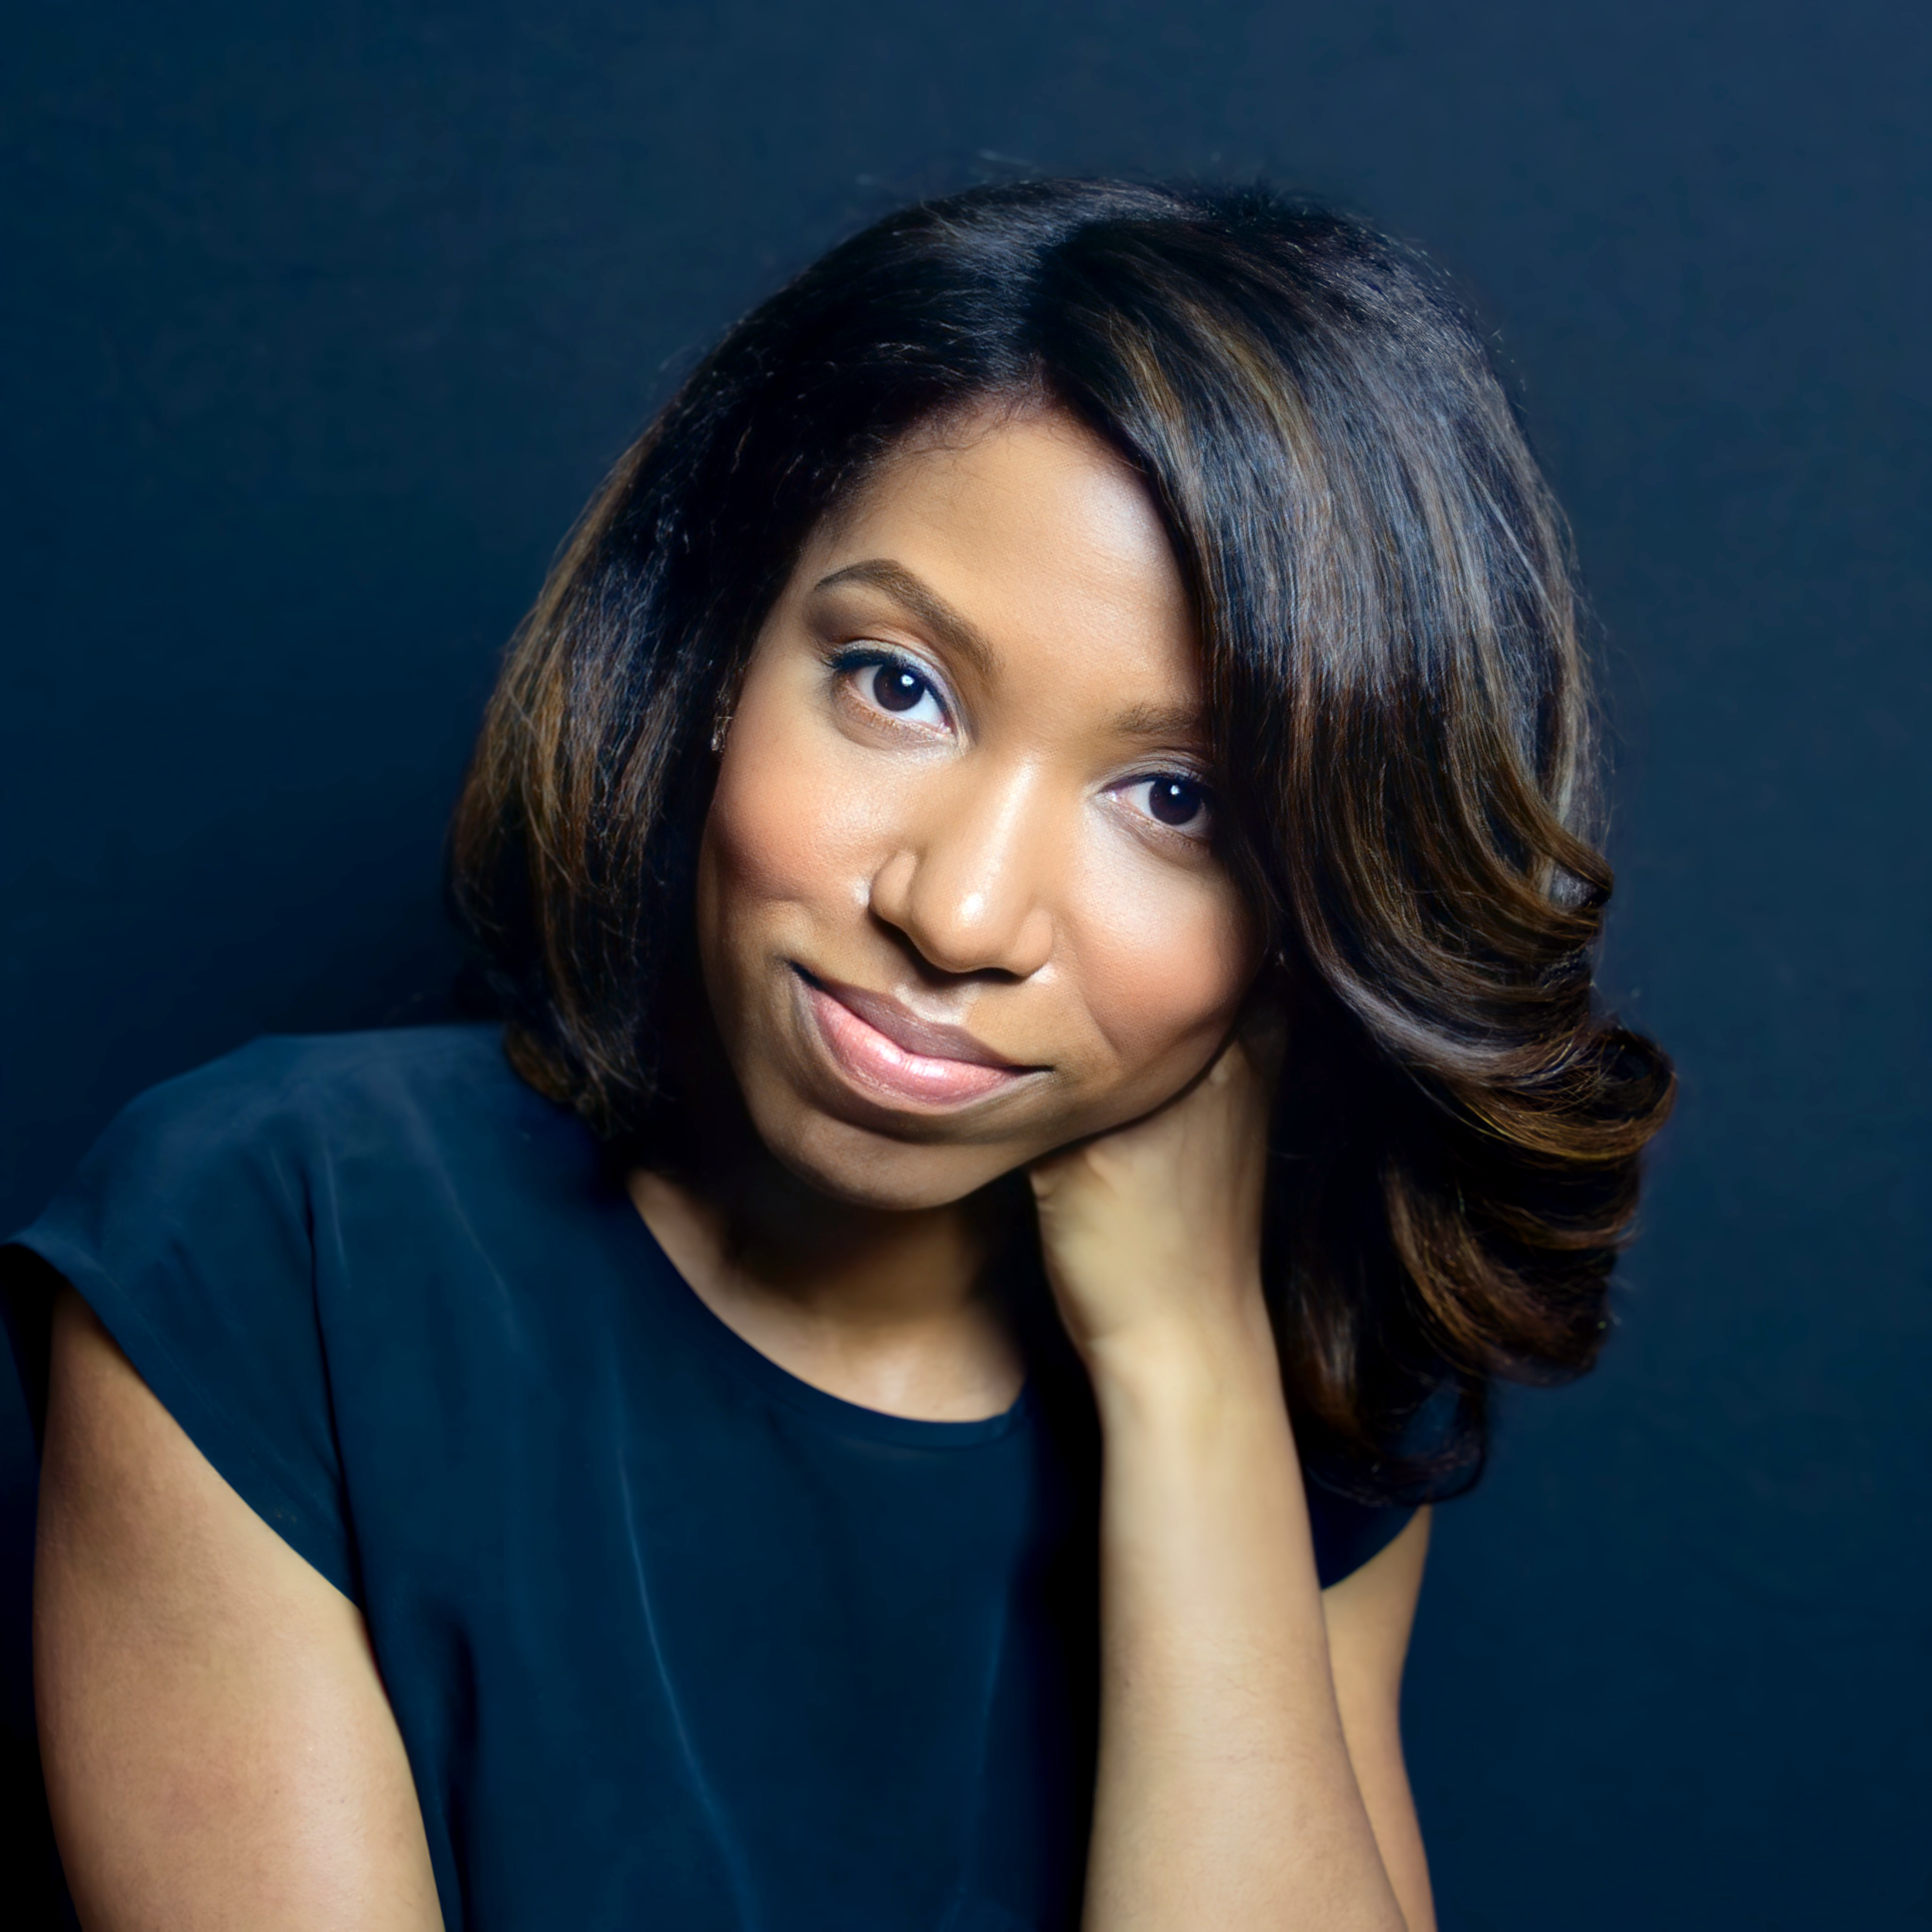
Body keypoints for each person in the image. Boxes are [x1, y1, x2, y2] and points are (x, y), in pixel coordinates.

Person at [3, 179, 1673, 1931]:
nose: (958, 911)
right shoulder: (275, 1245)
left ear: (1323, 895)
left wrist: (1189, 1372)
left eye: (1177, 800)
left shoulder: (1311, 1378)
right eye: (894, 684)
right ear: (719, 648)